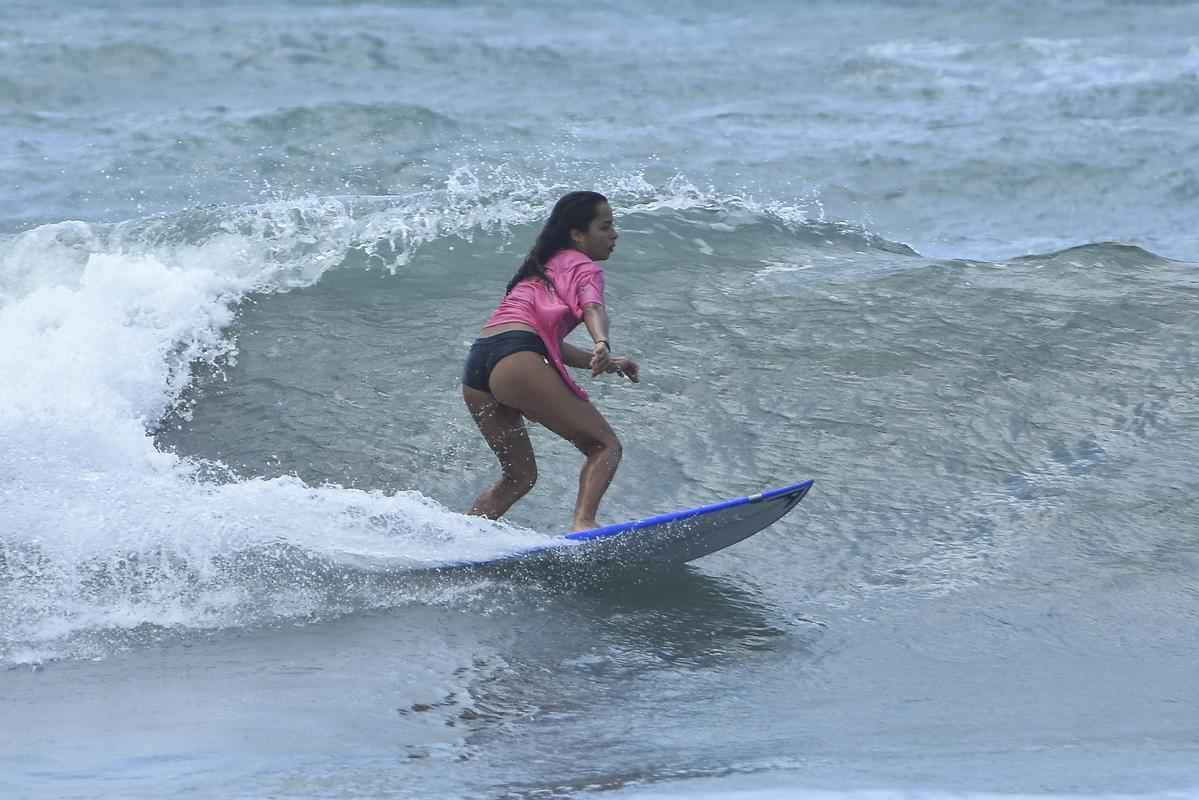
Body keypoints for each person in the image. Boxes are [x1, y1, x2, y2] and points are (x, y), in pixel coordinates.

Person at [462, 191, 640, 531]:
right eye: (605, 227)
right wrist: (601, 341)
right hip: (517, 358)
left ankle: (461, 539)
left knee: (519, 476)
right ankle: (584, 524)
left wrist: (607, 360)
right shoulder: (583, 267)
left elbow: (546, 342)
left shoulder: (539, 268)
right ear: (577, 234)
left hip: (480, 362)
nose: (614, 235)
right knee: (604, 446)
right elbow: (592, 307)